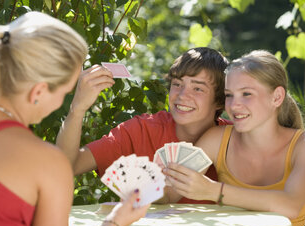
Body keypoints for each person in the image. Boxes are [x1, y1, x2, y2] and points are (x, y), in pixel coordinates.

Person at [0, 11, 149, 226]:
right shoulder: (46, 162)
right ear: (38, 92)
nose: (62, 101)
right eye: (65, 93)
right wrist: (115, 222)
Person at [164, 50, 305, 226]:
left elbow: (290, 206)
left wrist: (213, 191)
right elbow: (170, 193)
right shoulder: (218, 139)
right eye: (229, 95)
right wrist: (145, 182)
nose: (234, 105)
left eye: (246, 94)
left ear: (277, 97)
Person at [56, 47, 231, 204]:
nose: (182, 95)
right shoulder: (139, 130)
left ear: (220, 101)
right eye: (177, 84)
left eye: (198, 88)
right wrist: (77, 108)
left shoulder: (235, 138)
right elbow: (68, 166)